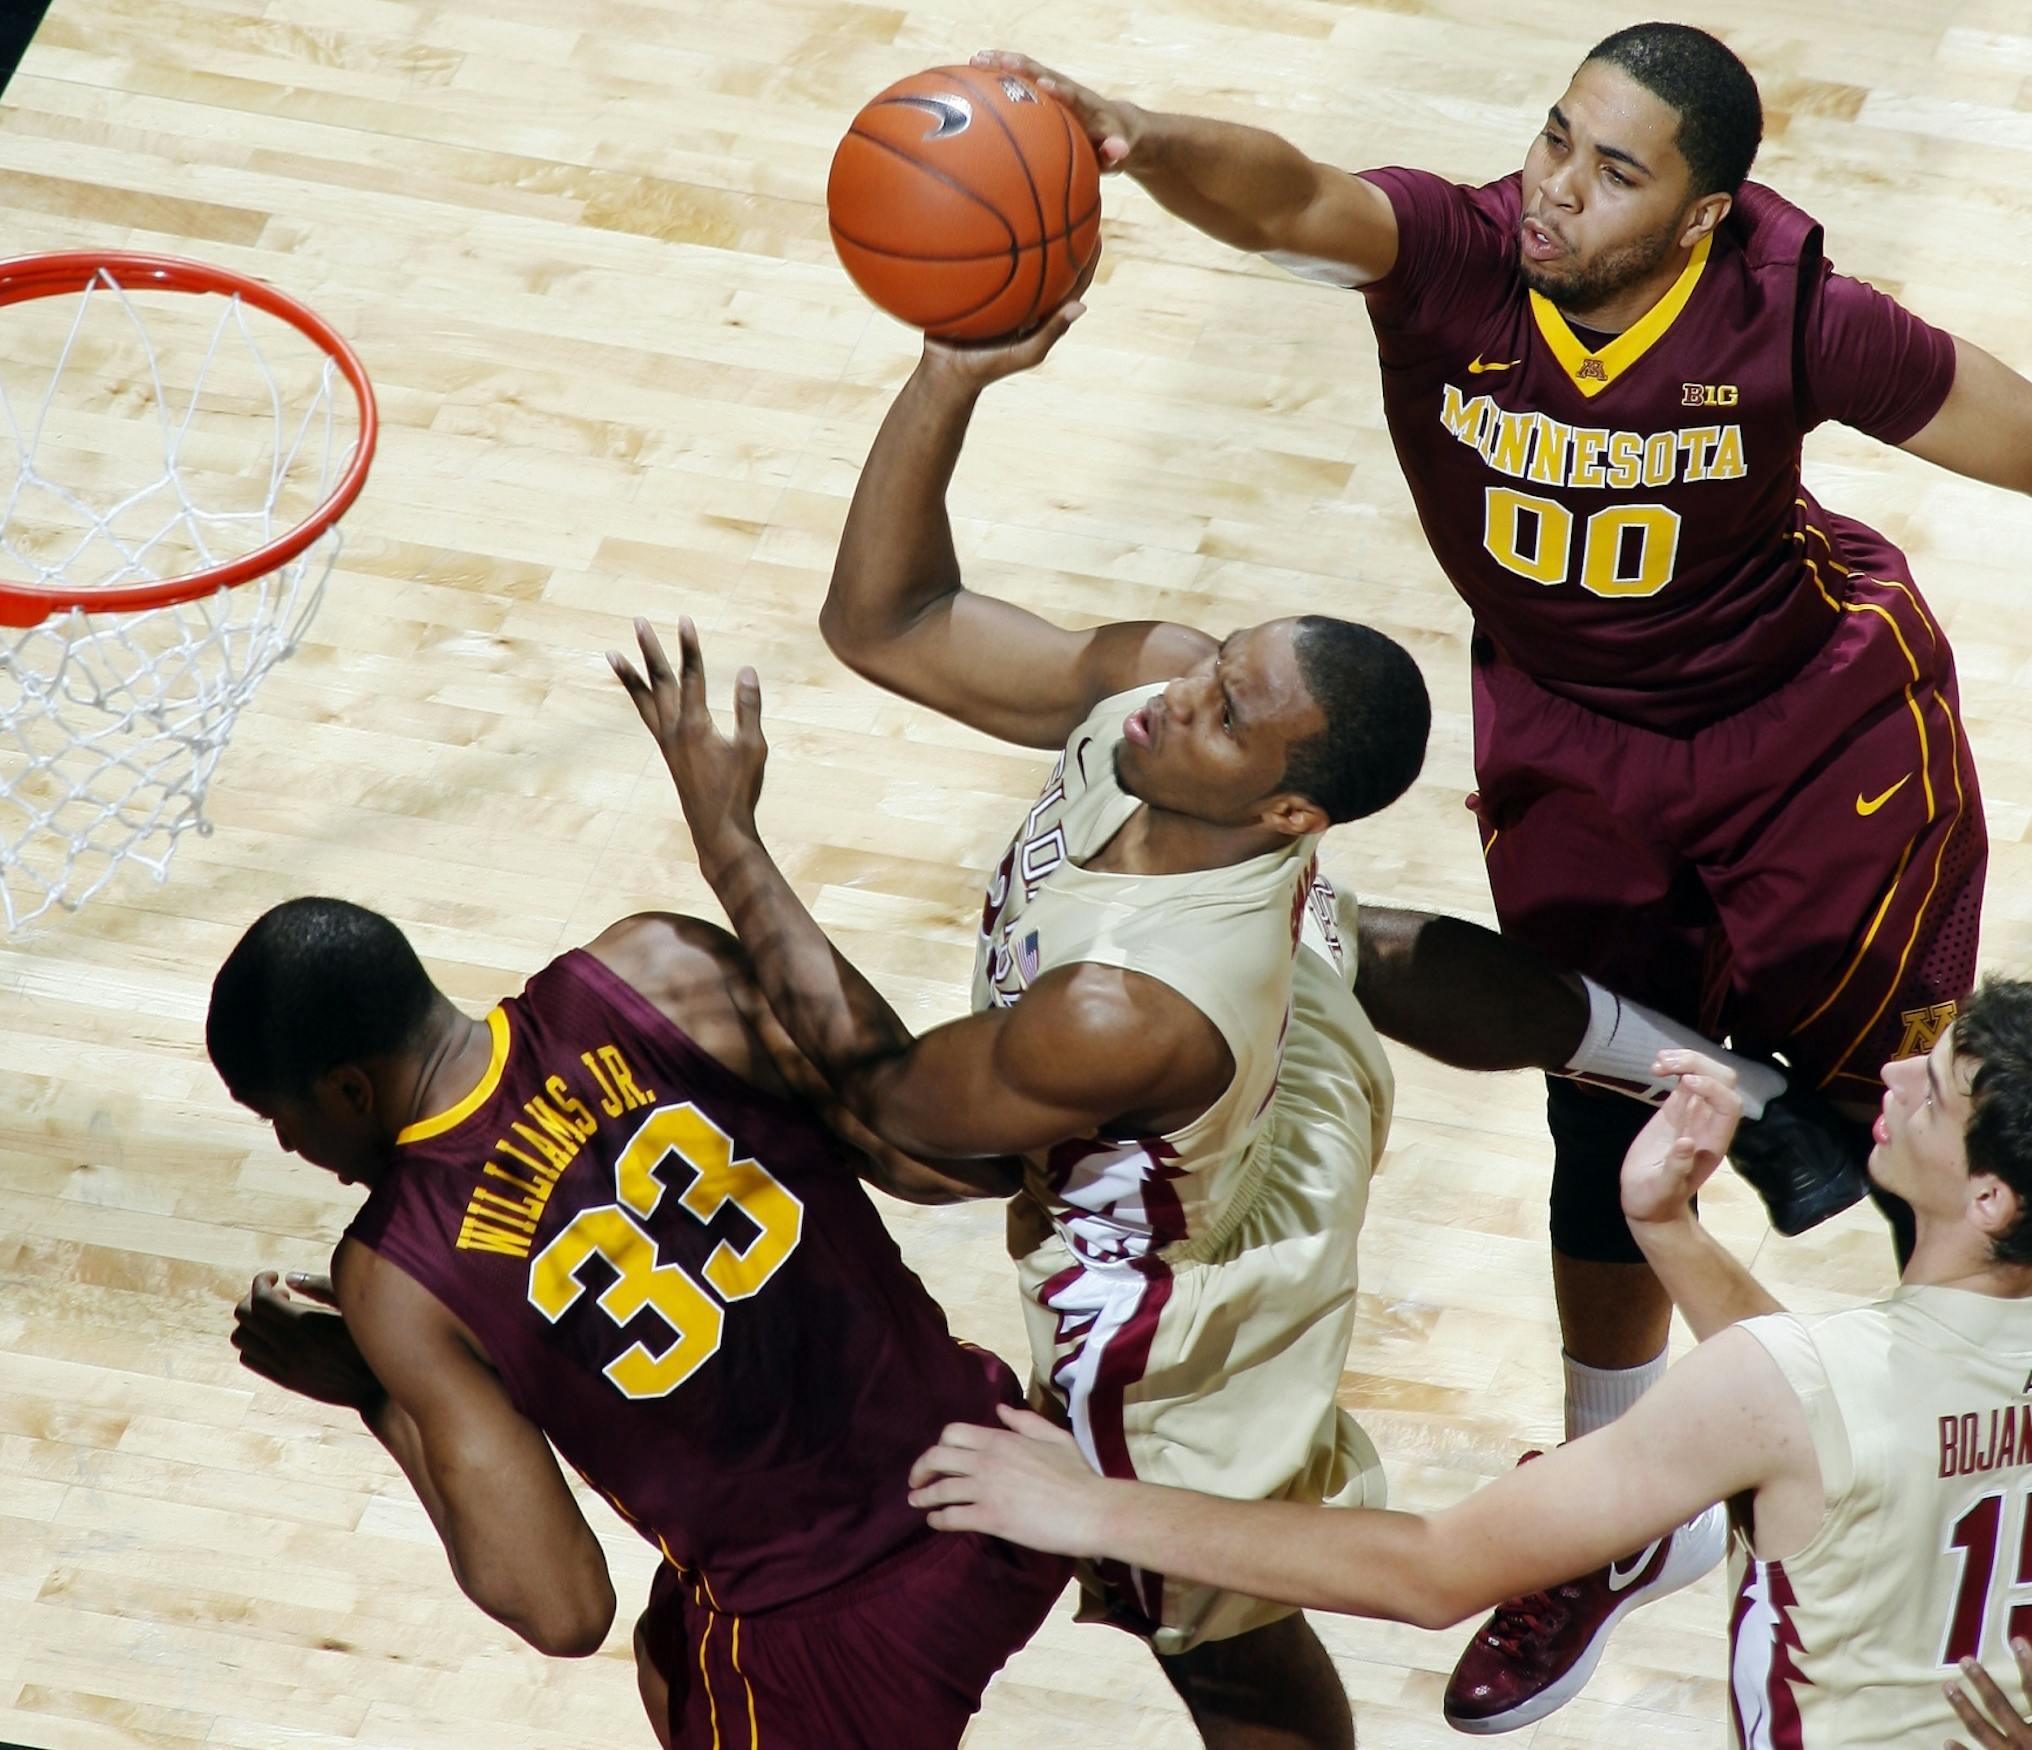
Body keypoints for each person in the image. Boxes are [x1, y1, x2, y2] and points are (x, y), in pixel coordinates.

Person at [971, 20, 2032, 1722]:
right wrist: (1135, 130)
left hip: (1810, 745)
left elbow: (2018, 428)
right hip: (1575, 750)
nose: (1558, 191)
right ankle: (1612, 1520)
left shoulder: (1790, 312)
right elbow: (1294, 198)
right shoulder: (1460, 259)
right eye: (1555, 142)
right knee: (1599, 1110)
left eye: (1616, 173)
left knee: (1950, 1143)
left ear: (1701, 215)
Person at [607, 308, 1855, 1742]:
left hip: (1164, 1284)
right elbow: (886, 622)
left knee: (1206, 1615)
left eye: (1220, 713)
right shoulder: (1176, 716)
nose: (1170, 699)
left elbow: (900, 1109)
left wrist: (729, 840)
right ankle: (1704, 1068)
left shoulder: (1118, 1011)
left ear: (1285, 808)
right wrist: (951, 375)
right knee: (1351, 939)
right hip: (1277, 1038)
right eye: (1212, 672)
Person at [912, 980, 2032, 1748]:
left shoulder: (1786, 1389)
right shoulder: (1856, 1378)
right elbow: (1839, 1405)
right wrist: (1672, 1230)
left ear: (1990, 1195)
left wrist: (1092, 1508)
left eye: (1930, 1090)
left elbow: (1435, 1571)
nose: (1888, 1075)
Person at [210, 899, 1069, 1750]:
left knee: (693, 1659)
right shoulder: (656, 966)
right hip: (1010, 1459)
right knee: (673, 1654)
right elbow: (919, 1155)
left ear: (349, 1089)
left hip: (827, 1638)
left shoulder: (396, 1277)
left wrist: (379, 1392)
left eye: (281, 1118)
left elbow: (563, 1608)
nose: (289, 1146)